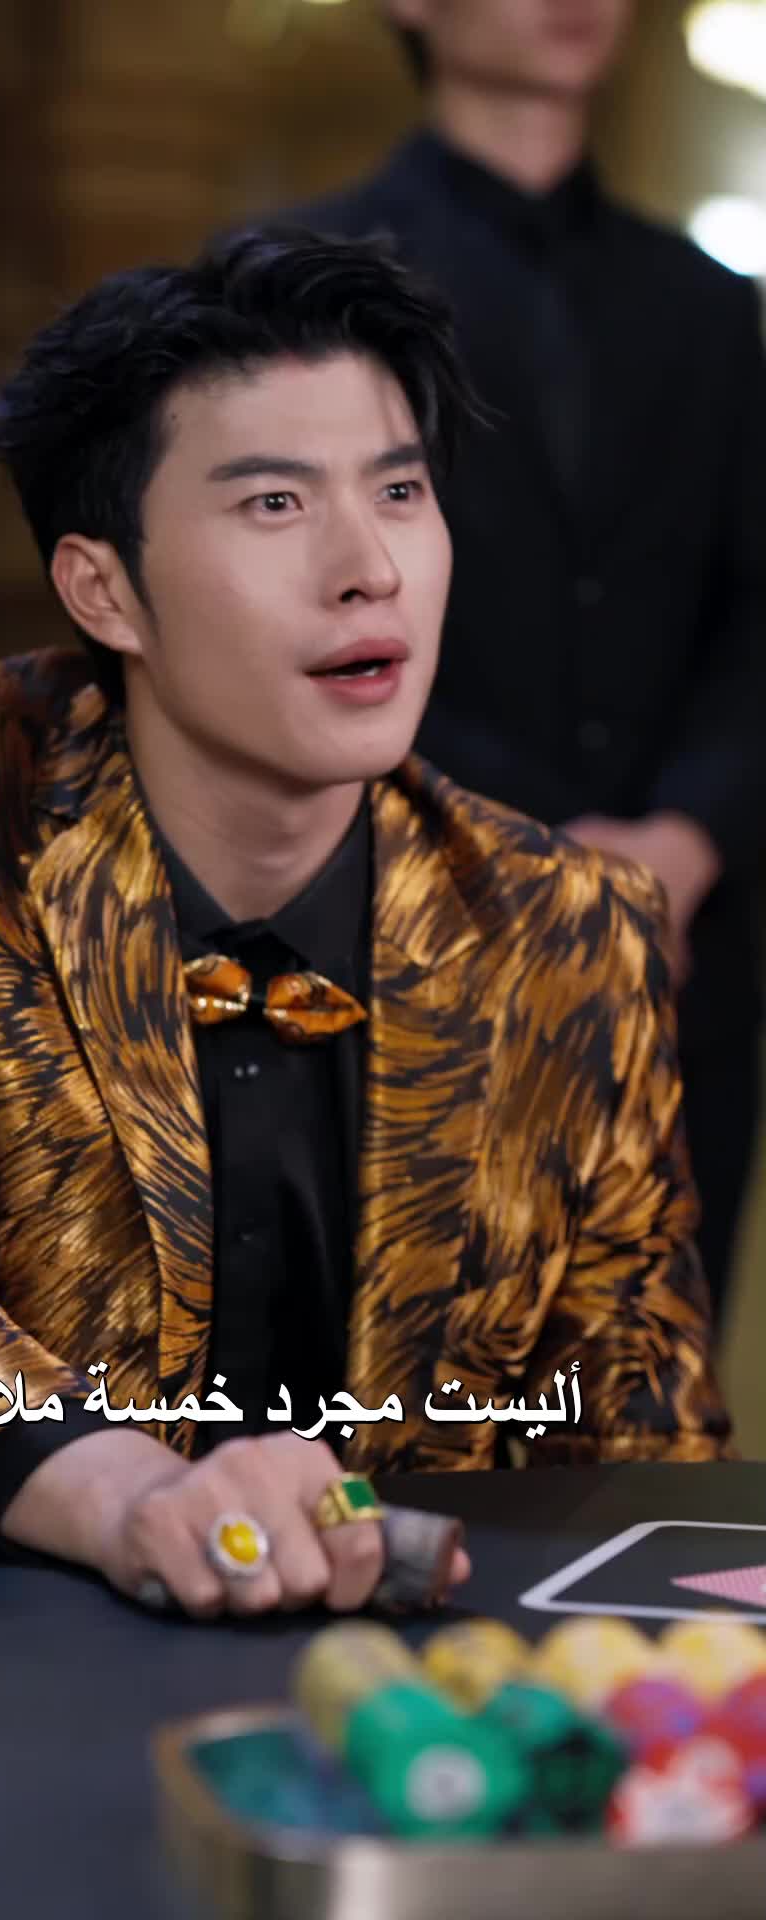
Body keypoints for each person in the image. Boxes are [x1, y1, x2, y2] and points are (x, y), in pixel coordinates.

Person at [0, 229, 731, 1619]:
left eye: (400, 490)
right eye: (274, 504)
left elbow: (640, 1448)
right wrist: (130, 1495)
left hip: (379, 1657)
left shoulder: (567, 933)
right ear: (105, 590)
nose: (369, 567)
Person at [279, 0, 766, 1329]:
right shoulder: (297, 286)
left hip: (680, 956)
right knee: (396, 1399)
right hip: (399, 936)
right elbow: (288, 618)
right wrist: (535, 847)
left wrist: (682, 841)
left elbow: (757, 617)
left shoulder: (709, 300)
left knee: (659, 1387)